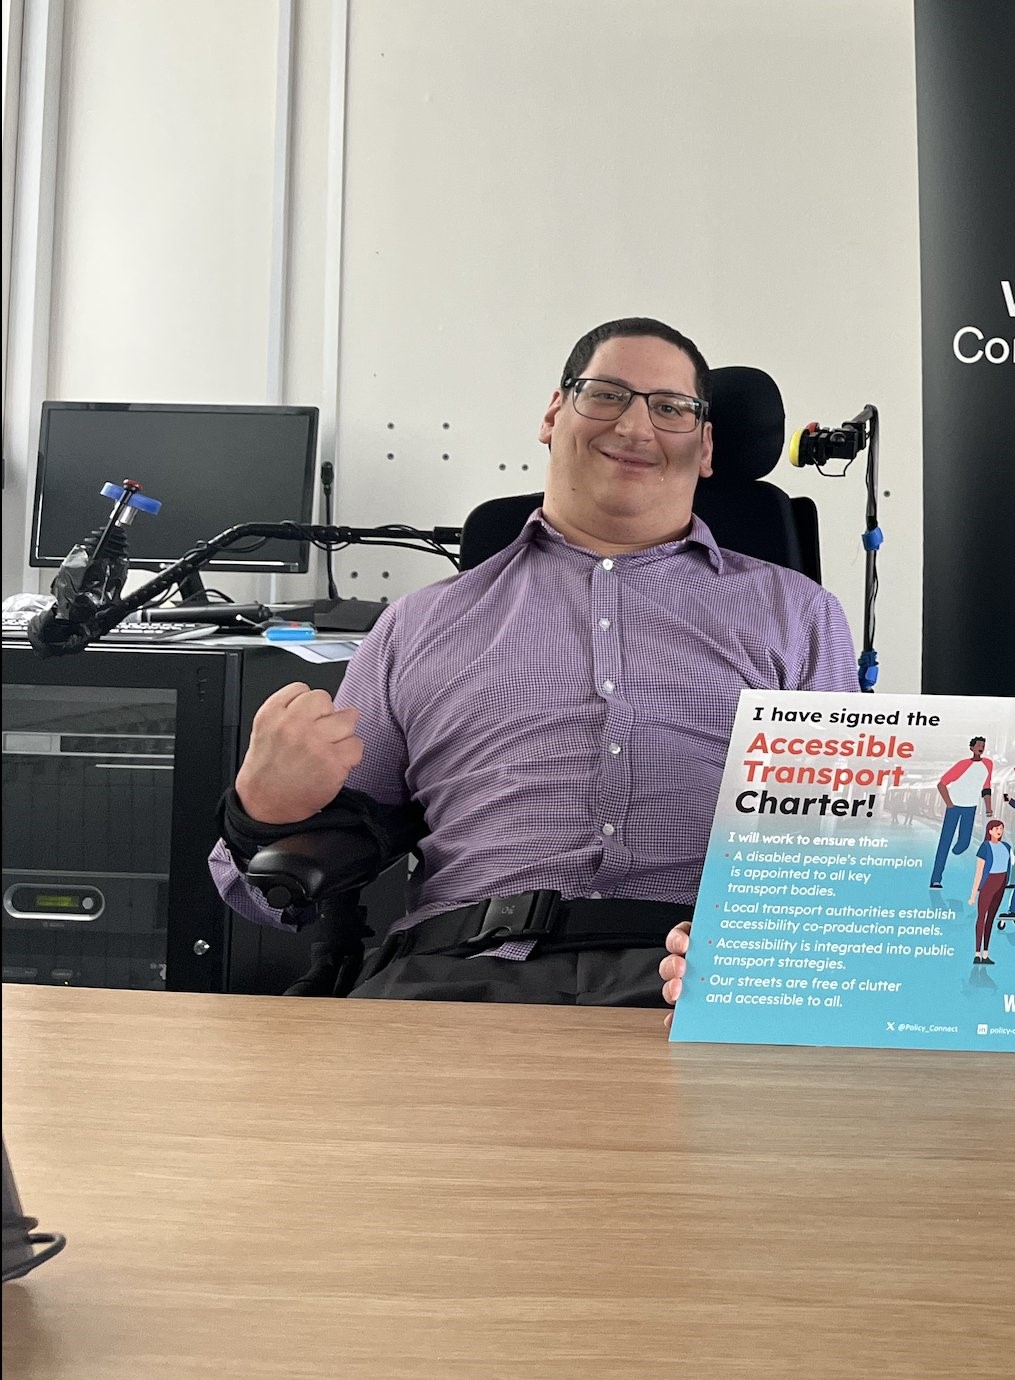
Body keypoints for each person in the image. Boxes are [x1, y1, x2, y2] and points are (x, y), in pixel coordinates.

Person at [210, 317, 857, 1004]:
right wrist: (266, 814)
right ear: (554, 414)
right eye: (607, 395)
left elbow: (840, 851)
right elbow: (266, 894)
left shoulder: (801, 617)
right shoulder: (419, 624)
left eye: (671, 408)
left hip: (697, 985)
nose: (637, 428)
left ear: (704, 447)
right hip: (453, 980)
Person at [928, 736, 994, 888]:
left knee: (964, 842)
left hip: (970, 808)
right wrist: (949, 804)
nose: (981, 747)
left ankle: (957, 850)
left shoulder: (988, 764)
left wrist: (988, 807)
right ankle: (936, 878)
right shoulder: (962, 764)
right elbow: (941, 784)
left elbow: (986, 786)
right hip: (954, 807)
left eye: (983, 745)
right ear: (971, 748)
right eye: (978, 745)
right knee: (945, 842)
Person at [967, 818, 1012, 964]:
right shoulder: (985, 847)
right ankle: (976, 953)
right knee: (981, 917)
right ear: (990, 831)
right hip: (988, 884)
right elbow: (979, 872)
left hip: (1001, 883)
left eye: (1001, 829)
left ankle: (985, 954)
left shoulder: (1006, 846)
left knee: (991, 918)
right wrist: (973, 894)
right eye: (997, 829)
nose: (1000, 831)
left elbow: (1014, 862)